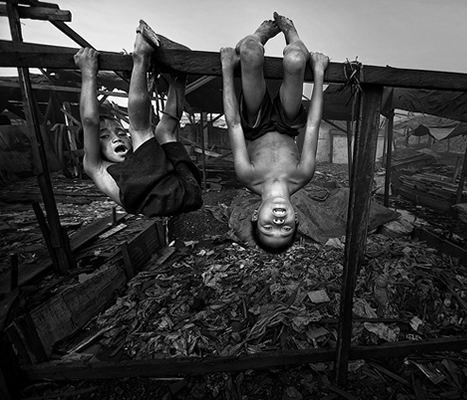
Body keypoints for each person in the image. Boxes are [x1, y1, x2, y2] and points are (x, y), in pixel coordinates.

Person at [220, 12, 329, 252]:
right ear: (296, 219)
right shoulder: (302, 175)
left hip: (254, 122)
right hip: (287, 122)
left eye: (268, 228)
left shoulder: (248, 175)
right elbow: (312, 124)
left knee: (249, 51)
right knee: (296, 59)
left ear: (256, 215)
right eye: (286, 228)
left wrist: (227, 68)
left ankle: (261, 34)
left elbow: (234, 124)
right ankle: (292, 33)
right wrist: (319, 74)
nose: (278, 222)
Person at [74, 20, 203, 217]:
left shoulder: (139, 158)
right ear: (92, 146)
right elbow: (90, 121)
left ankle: (179, 77)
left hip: (185, 186)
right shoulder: (95, 166)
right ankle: (140, 55)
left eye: (119, 133)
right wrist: (88, 73)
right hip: (161, 198)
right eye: (104, 137)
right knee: (144, 130)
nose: (116, 138)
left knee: (163, 131)